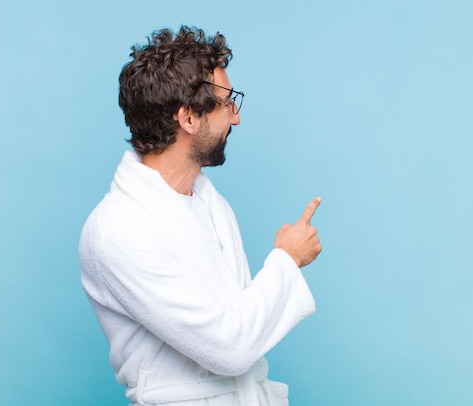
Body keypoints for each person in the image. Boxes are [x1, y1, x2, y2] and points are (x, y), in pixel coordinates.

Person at [79, 26, 322, 406]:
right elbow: (229, 348)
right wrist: (287, 259)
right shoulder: (117, 230)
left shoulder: (207, 200)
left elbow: (237, 320)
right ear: (188, 118)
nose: (236, 118)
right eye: (228, 103)